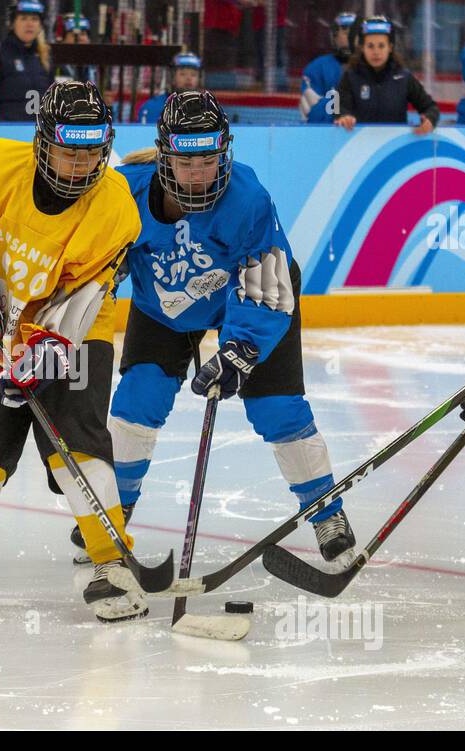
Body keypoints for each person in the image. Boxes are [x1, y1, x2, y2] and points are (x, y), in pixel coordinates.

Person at [68, 90, 356, 566]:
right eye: (187, 162)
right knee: (138, 400)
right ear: (164, 158)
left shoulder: (247, 198)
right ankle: (111, 515)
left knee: (277, 408)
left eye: (209, 160)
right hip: (163, 308)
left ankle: (326, 510)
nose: (199, 174)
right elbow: (94, 266)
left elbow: (266, 282)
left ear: (225, 154)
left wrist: (241, 348)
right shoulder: (124, 193)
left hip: (252, 297)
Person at [0, 80, 147, 622]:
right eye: (68, 151)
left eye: (91, 153)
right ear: (43, 142)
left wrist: (44, 353)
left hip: (77, 338)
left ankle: (112, 562)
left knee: (77, 456)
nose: (80, 166)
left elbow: (82, 300)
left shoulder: (113, 208)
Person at [335, 16, 439, 134]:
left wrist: (430, 119)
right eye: (370, 46)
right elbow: (337, 106)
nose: (376, 52)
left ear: (390, 47)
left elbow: (430, 107)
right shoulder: (350, 77)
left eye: (381, 46)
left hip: (395, 148)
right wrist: (343, 116)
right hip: (359, 146)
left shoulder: (404, 78)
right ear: (362, 47)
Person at [0, 0, 53, 121]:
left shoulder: (44, 58)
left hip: (39, 131)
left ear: (40, 25)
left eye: (35, 19)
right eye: (23, 18)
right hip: (6, 130)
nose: (29, 24)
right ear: (13, 23)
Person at [300, 11, 356, 124]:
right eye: (346, 32)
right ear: (335, 37)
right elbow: (311, 113)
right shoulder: (316, 68)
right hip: (325, 138)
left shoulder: (372, 69)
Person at [136, 52, 202, 124]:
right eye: (182, 74)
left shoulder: (209, 108)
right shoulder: (153, 107)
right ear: (172, 77)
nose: (188, 78)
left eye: (193, 75)